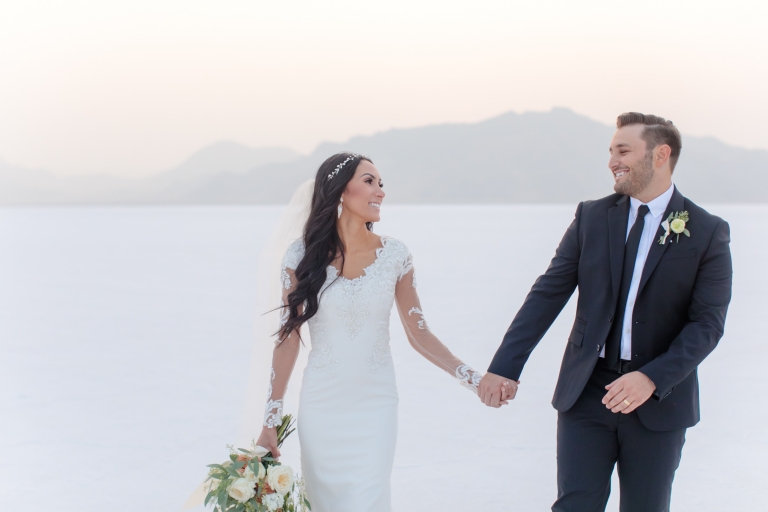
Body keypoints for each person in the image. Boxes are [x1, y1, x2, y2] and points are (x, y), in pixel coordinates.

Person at [479, 113, 733, 511]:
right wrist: (505, 365)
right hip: (586, 391)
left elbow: (707, 324)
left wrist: (650, 378)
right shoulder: (592, 217)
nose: (612, 160)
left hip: (658, 400)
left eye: (623, 150)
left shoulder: (706, 230)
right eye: (611, 151)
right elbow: (547, 293)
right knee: (575, 505)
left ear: (661, 154)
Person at [254, 153, 497, 512]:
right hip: (321, 406)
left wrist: (474, 379)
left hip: (376, 405)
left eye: (381, 183)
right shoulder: (301, 256)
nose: (380, 191)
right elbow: (288, 340)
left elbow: (420, 334)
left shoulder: (395, 255)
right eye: (369, 181)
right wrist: (270, 422)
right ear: (339, 191)